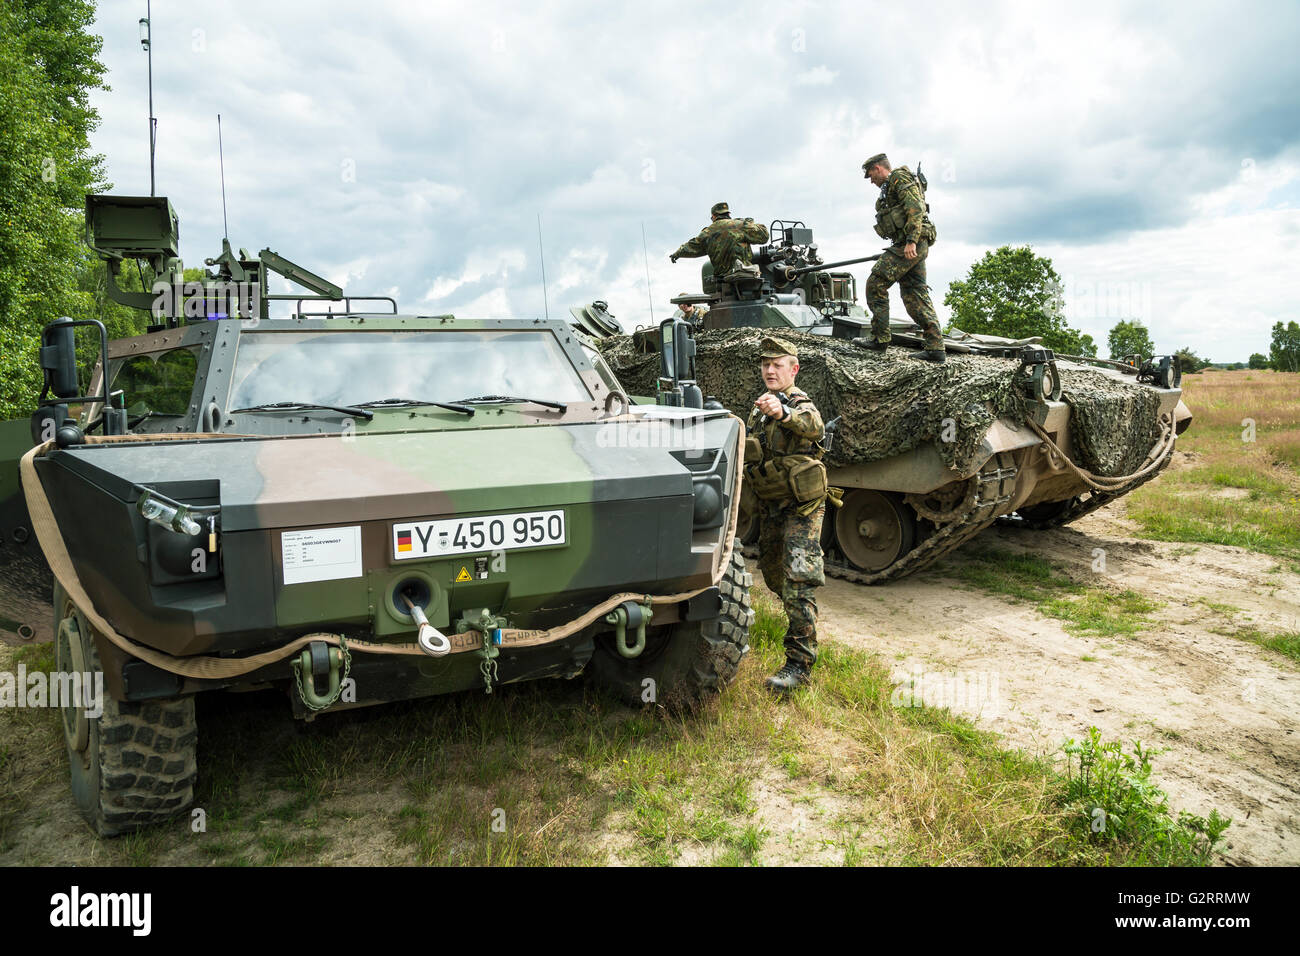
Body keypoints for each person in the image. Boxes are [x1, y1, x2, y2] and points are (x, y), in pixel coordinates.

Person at [744, 336, 827, 694]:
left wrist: (784, 413)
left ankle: (800, 664)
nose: (769, 370)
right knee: (773, 572)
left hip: (801, 507)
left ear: (793, 369)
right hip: (772, 504)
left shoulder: (798, 403)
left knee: (798, 579)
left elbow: (814, 427)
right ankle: (801, 621)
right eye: (765, 364)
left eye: (777, 364)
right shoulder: (758, 406)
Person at [860, 153, 945, 363]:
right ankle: (935, 348)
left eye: (871, 175)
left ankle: (880, 339)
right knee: (914, 294)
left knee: (876, 283)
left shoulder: (899, 178)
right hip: (912, 243)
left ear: (879, 168)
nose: (871, 181)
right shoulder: (889, 187)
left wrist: (911, 241)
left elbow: (915, 209)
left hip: (911, 243)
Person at [670, 202, 769, 282]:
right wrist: (749, 223)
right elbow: (764, 236)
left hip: (723, 281)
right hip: (745, 276)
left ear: (713, 216)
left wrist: (677, 253)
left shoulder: (707, 233)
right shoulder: (740, 225)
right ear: (728, 214)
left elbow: (691, 247)